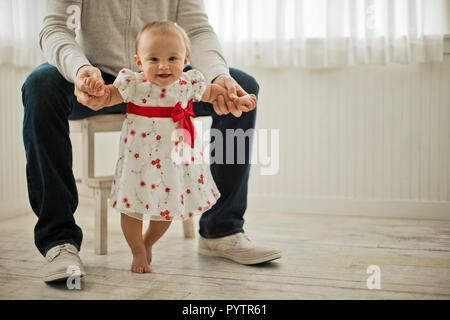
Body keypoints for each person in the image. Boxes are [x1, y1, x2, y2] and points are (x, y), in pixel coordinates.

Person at [22, 0, 281, 282]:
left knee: (242, 87)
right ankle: (59, 241)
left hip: (165, 77)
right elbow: (56, 27)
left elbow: (197, 29)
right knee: (40, 86)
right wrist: (80, 70)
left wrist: (220, 76)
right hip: (98, 78)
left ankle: (223, 228)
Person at [92, 21, 256, 273]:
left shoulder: (188, 84)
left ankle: (148, 242)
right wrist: (100, 92)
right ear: (139, 61)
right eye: (153, 58)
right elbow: (110, 96)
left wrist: (239, 98)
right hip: (138, 162)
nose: (163, 66)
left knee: (166, 211)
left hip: (171, 164)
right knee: (132, 211)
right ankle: (137, 251)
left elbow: (216, 94)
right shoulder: (134, 84)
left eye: (172, 58)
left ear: (185, 58)